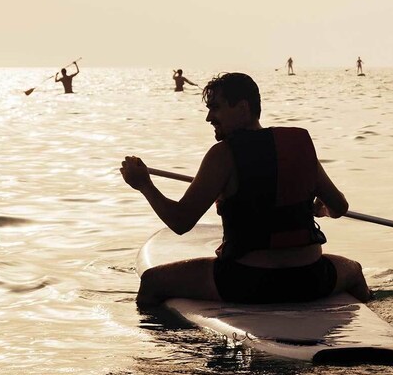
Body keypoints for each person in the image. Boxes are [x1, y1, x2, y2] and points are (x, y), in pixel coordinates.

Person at [120, 72, 371, 307]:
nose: (209, 118)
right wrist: (321, 209)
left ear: (242, 108)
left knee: (152, 282)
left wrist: (144, 184)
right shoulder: (297, 146)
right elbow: (339, 207)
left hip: (248, 282)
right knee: (355, 270)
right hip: (311, 278)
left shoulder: (223, 155)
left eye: (216, 108)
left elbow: (180, 221)